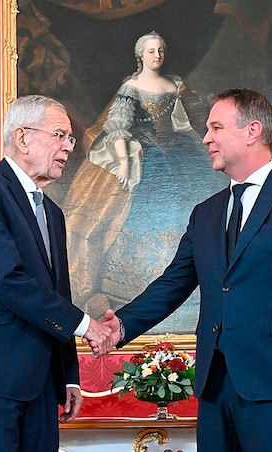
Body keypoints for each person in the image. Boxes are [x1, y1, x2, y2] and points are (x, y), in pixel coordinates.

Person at [102, 89, 272, 451]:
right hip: (214, 385)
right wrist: (122, 324)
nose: (206, 137)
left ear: (252, 131)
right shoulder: (206, 212)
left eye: (216, 127)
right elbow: (173, 283)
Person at [0, 95, 114, 451]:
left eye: (70, 139)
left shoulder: (52, 212)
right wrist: (86, 326)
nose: (69, 147)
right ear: (22, 138)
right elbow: (4, 277)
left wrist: (68, 377)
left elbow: (58, 294)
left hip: (41, 381)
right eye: (60, 136)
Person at [65, 31, 226, 321]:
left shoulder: (174, 84)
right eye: (151, 51)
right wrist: (126, 161)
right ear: (141, 56)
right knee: (134, 204)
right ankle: (134, 282)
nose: (157, 56)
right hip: (142, 152)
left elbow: (189, 118)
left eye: (160, 50)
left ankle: (192, 280)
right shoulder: (131, 87)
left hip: (178, 150)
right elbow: (117, 126)